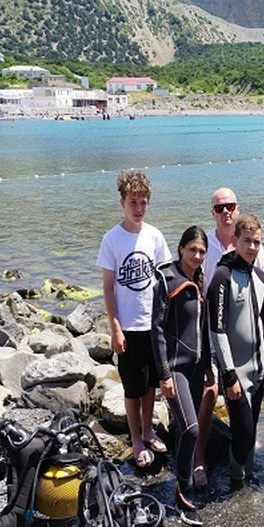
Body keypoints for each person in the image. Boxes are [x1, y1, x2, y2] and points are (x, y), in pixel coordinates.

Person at [97, 170, 172, 470]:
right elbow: (107, 287)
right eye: (133, 202)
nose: (138, 208)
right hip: (127, 327)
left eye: (143, 203)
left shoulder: (154, 236)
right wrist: (114, 327)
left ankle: (149, 429)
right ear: (122, 203)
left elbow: (167, 278)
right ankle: (136, 438)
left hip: (152, 325)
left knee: (150, 385)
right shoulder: (112, 239)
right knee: (132, 388)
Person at [207, 214, 264, 495]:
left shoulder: (260, 277)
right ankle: (236, 481)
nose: (252, 247)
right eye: (247, 241)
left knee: (248, 433)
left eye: (257, 242)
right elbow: (217, 330)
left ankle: (247, 479)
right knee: (245, 431)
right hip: (236, 373)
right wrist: (228, 375)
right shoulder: (222, 276)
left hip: (259, 370)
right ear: (235, 241)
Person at [152, 226, 214, 523]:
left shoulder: (198, 279)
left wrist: (211, 368)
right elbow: (158, 330)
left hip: (197, 367)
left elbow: (203, 330)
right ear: (181, 249)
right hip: (175, 367)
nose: (198, 256)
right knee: (191, 428)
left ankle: (182, 478)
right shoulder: (167, 279)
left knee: (185, 429)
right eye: (193, 250)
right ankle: (183, 488)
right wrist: (164, 373)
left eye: (202, 251)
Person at [203, 187, 264, 287]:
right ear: (213, 214)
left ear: (238, 210)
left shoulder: (253, 246)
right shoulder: (204, 245)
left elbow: (262, 277)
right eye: (219, 208)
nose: (225, 211)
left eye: (230, 207)